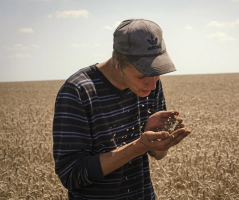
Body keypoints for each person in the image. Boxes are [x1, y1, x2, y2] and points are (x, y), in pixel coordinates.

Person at [52, 18, 191, 200]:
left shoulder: (151, 82)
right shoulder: (78, 91)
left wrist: (157, 141)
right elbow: (71, 175)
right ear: (118, 63)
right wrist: (138, 146)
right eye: (141, 76)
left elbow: (158, 155)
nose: (151, 85)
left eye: (156, 73)